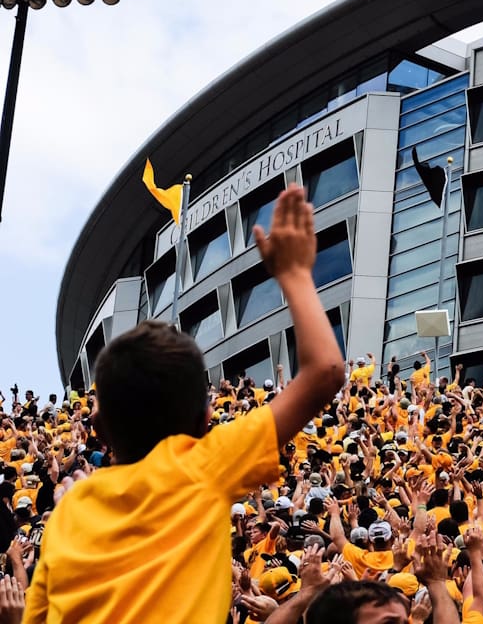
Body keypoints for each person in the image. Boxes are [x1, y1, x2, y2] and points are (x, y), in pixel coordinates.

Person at [23, 185, 346, 623]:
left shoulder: (68, 515)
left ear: (97, 423)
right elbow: (326, 370)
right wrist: (294, 274)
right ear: (207, 419)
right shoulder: (201, 467)